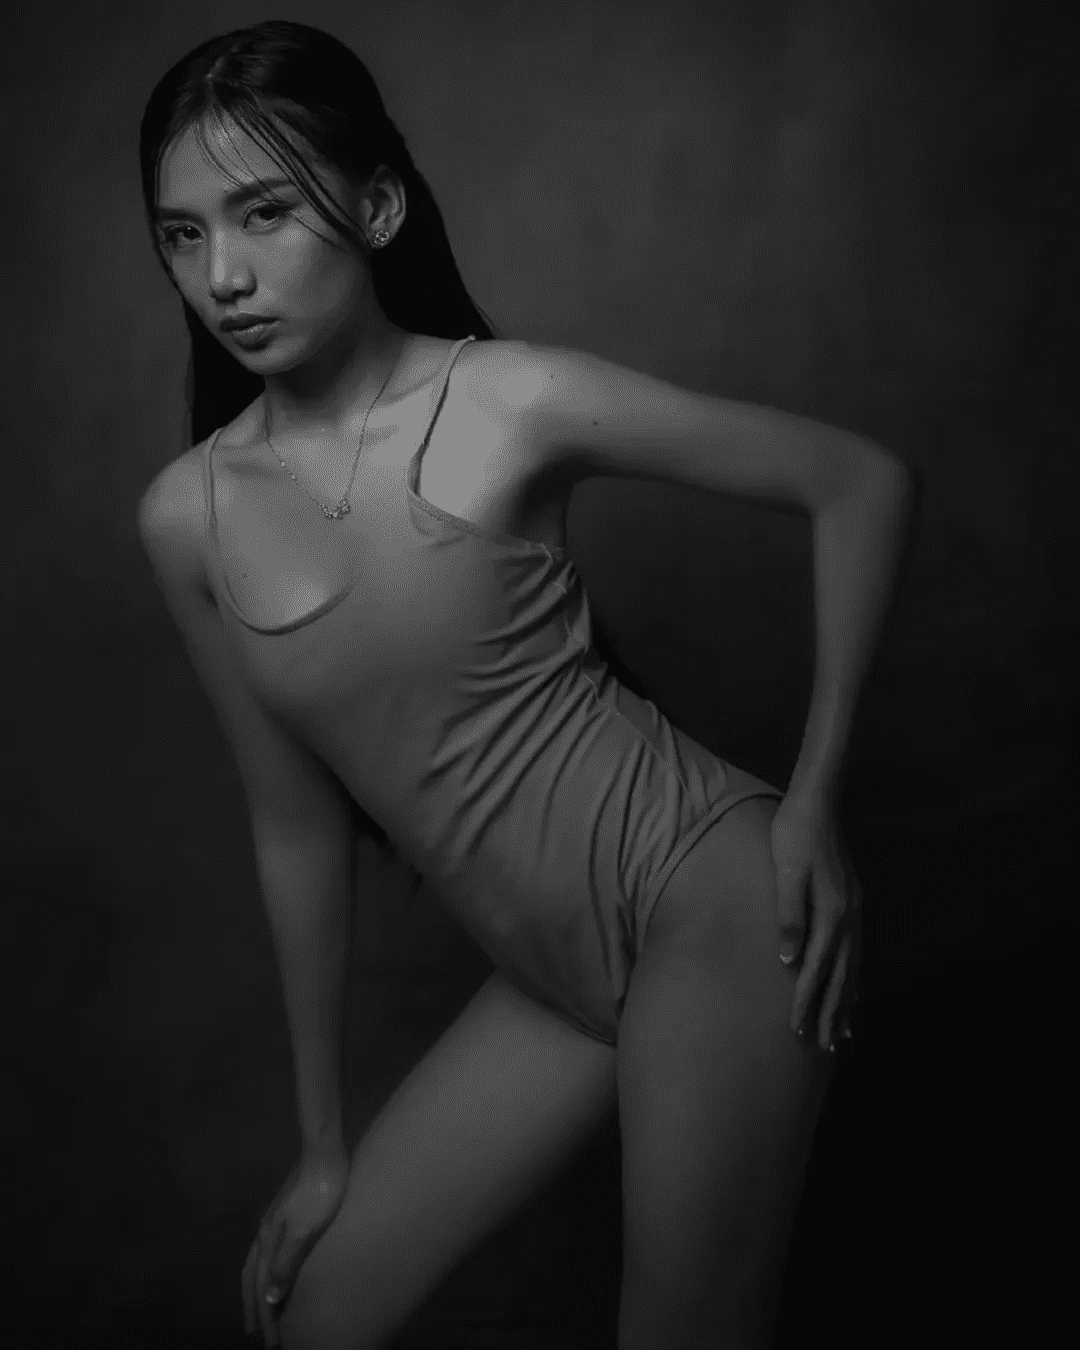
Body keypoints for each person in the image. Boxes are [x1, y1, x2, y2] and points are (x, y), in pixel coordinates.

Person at [136, 19, 912, 1350]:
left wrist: (815, 802)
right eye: (183, 234)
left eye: (264, 212)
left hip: (711, 909)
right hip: (549, 976)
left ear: (377, 207)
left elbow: (859, 484)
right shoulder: (186, 517)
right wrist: (323, 1144)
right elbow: (296, 828)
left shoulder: (508, 401)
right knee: (314, 1313)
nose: (224, 275)